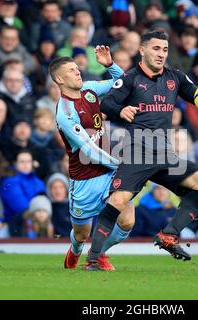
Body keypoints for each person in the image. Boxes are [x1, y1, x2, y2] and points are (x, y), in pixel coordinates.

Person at [85, 31, 198, 270]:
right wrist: (121, 112)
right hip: (137, 150)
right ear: (142, 50)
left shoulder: (175, 77)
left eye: (164, 50)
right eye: (156, 49)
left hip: (165, 154)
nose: (161, 54)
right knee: (118, 200)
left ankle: (169, 235)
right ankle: (93, 259)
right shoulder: (131, 79)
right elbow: (107, 103)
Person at [50, 46, 135, 270]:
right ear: (60, 79)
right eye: (71, 70)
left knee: (127, 220)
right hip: (85, 178)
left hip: (109, 171)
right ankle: (76, 249)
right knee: (82, 233)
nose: (78, 72)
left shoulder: (89, 89)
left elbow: (125, 83)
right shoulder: (65, 113)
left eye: (77, 68)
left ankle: (98, 253)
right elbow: (88, 150)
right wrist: (120, 163)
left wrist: (110, 65)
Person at [0, 149, 45, 236]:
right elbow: (21, 208)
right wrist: (41, 212)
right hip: (15, 225)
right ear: (15, 164)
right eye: (22, 162)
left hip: (38, 221)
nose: (26, 165)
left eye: (28, 161)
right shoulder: (9, 182)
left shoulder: (39, 182)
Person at [46, 172, 71, 238]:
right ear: (49, 190)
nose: (58, 191)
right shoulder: (46, 208)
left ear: (66, 189)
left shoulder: (74, 208)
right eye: (54, 187)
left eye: (61, 187)